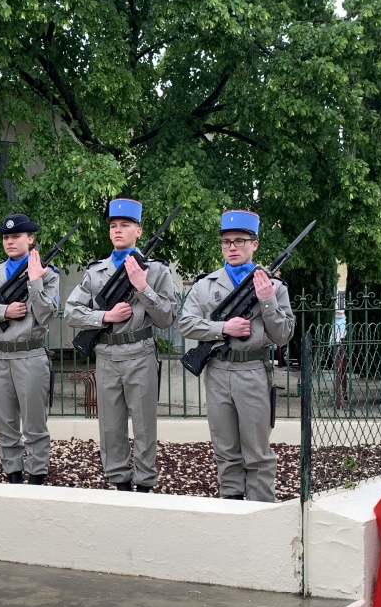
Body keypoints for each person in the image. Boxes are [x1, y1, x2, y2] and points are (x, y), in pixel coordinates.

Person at [179, 209, 295, 502]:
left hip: (253, 371)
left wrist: (267, 301)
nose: (232, 247)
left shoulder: (274, 287)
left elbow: (283, 335)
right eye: (226, 241)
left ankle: (259, 511)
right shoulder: (205, 285)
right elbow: (186, 324)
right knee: (225, 449)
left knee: (257, 451)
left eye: (239, 240)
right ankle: (231, 507)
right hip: (218, 371)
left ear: (254, 244)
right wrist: (223, 328)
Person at [64, 198, 178, 491]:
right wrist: (105, 316)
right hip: (106, 354)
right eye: (113, 225)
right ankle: (119, 482)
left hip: (140, 353)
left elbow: (167, 318)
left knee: (144, 425)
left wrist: (143, 287)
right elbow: (71, 312)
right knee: (110, 425)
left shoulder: (156, 271)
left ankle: (144, 483)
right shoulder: (96, 271)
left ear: (138, 231)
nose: (117, 230)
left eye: (125, 225)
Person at [0, 214, 59, 484]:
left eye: (16, 236)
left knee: (34, 424)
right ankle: (13, 476)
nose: (10, 241)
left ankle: (37, 477)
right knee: (4, 423)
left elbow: (47, 314)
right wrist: (3, 311)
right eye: (6, 237)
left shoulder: (49, 275)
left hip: (30, 354)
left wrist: (35, 281)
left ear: (31, 239)